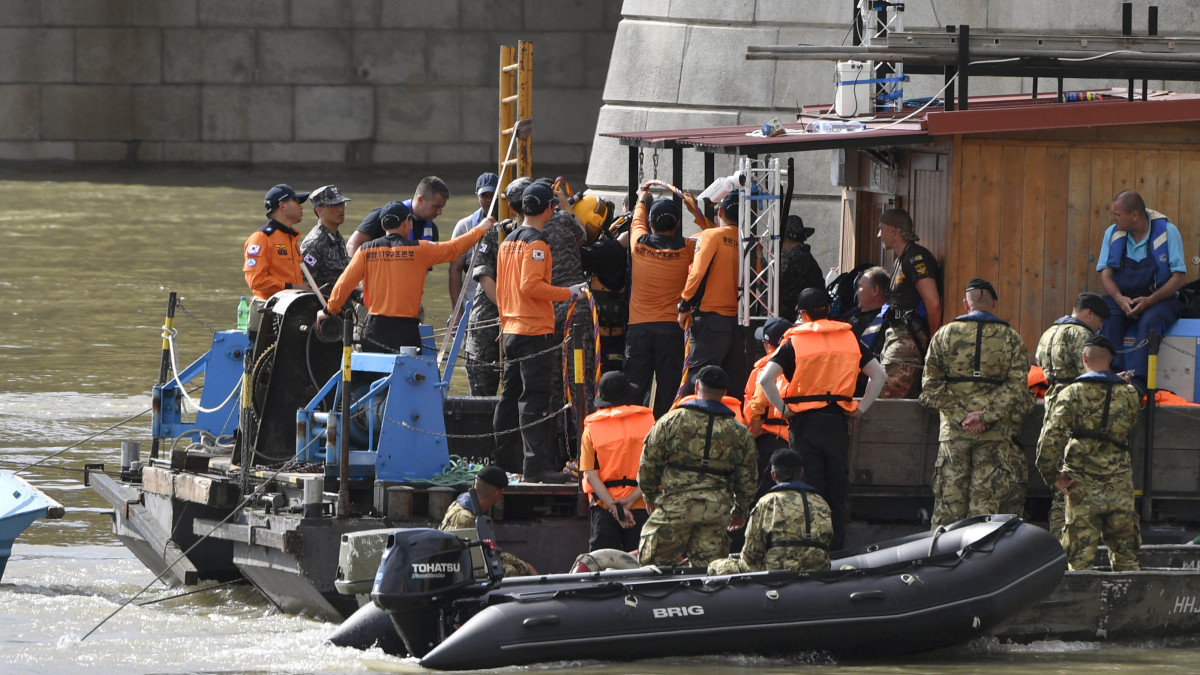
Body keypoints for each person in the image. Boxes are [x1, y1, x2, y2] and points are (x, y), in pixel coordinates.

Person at [759, 288, 886, 551]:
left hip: (804, 425)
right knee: (836, 488)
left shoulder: (795, 342)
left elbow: (765, 379)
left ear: (802, 315)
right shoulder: (850, 338)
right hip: (837, 423)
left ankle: (810, 547)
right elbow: (879, 376)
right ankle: (837, 547)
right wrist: (860, 409)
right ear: (829, 310)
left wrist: (784, 410)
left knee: (807, 488)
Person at [492, 182, 588, 482]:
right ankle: (536, 467)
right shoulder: (537, 244)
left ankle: (502, 461)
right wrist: (568, 292)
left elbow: (503, 288)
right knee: (533, 400)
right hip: (533, 331)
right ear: (550, 207)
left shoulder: (507, 241)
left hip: (511, 330)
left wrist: (504, 322)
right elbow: (529, 286)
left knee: (509, 398)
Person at [919, 278, 1033, 530]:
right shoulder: (1011, 339)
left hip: (954, 434)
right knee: (985, 506)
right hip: (995, 434)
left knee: (949, 506)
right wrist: (986, 416)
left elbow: (930, 387)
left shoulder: (944, 335)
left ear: (965, 304)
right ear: (994, 303)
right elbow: (1017, 388)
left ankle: (942, 561)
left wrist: (962, 416)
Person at [316, 201, 492, 352]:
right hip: (406, 331)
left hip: (374, 329)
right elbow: (454, 248)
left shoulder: (365, 250)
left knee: (373, 381)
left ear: (384, 226)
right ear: (407, 223)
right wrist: (480, 229)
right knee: (408, 381)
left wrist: (328, 311)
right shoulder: (421, 249)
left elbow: (343, 285)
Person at [1035, 334, 1141, 571]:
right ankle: (1128, 604)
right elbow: (1131, 422)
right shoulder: (1130, 394)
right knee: (1126, 558)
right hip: (1119, 485)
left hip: (1080, 485)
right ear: (1111, 360)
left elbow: (1050, 438)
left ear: (1084, 357)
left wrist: (1053, 476)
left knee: (1078, 559)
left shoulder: (1072, 393)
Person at [638, 365, 758, 568]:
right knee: (711, 571)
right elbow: (748, 478)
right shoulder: (739, 432)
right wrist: (740, 510)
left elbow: (649, 463)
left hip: (675, 506)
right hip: (716, 510)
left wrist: (649, 496)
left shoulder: (671, 421)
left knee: (655, 566)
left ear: (697, 386)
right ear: (725, 393)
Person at [1035, 292, 1111, 538]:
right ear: (1088, 313)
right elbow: (1089, 374)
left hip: (1052, 405)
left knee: (1059, 476)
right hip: (1076, 411)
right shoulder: (1082, 335)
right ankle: (1066, 543)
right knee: (1073, 483)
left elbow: (1039, 363)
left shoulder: (1048, 333)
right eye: (1099, 320)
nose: (1100, 327)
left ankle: (1055, 541)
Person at [1097, 190, 1188, 388]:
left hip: (1159, 299)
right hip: (1122, 297)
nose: (1113, 218)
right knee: (1108, 317)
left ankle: (1137, 384)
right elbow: (1106, 274)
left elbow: (1179, 277)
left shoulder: (1167, 232)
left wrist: (1150, 301)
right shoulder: (1112, 234)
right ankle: (1113, 377)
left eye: (1117, 214)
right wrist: (1119, 299)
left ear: (1135, 215)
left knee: (1149, 323)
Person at [624, 188, 695, 418]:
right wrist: (694, 209)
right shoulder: (688, 249)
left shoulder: (638, 245)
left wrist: (643, 197)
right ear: (676, 225)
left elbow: (637, 216)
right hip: (671, 330)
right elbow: (713, 235)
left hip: (639, 329)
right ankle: (663, 441)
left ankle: (631, 438)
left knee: (633, 389)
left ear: (651, 223)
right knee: (669, 392)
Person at [707, 449, 833, 575]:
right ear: (801, 472)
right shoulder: (821, 502)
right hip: (818, 570)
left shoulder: (767, 502)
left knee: (716, 565)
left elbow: (751, 554)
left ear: (773, 475)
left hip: (776, 572)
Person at [464, 178, 530, 396]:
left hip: (522, 327)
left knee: (518, 392)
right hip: (488, 324)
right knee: (483, 395)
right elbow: (483, 276)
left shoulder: (539, 234)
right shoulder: (496, 233)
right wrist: (509, 308)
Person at [678, 192, 745, 398]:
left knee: (697, 382)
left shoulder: (712, 236)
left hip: (711, 321)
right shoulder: (748, 242)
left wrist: (684, 305)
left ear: (722, 212)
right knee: (733, 387)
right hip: (740, 324)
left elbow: (698, 273)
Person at [580, 371, 655, 552]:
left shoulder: (592, 428)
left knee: (602, 566)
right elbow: (655, 471)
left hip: (604, 507)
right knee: (642, 569)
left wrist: (615, 508)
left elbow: (590, 475)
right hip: (640, 505)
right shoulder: (650, 422)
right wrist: (628, 501)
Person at [877, 208, 942, 398]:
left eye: (881, 229)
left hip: (908, 339)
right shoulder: (902, 258)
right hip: (898, 335)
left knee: (886, 396)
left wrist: (933, 338)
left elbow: (933, 303)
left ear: (893, 230)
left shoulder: (915, 258)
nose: (878, 235)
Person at [439, 465, 537, 577]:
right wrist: (524, 566)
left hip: (451, 565)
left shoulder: (458, 505)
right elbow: (485, 555)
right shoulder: (469, 519)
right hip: (461, 572)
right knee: (510, 570)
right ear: (497, 494)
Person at [744, 316, 794, 499]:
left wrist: (753, 433)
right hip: (796, 439)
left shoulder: (762, 370)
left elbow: (756, 404)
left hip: (767, 442)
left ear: (769, 345)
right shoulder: (801, 366)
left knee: (762, 498)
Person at [346, 176, 448, 256]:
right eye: (436, 206)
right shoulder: (386, 215)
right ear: (420, 200)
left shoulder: (432, 230)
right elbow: (353, 245)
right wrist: (361, 280)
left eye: (442, 207)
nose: (440, 212)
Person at [243, 184, 312, 300]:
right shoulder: (261, 238)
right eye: (296, 201)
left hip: (292, 305)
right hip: (268, 309)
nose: (301, 207)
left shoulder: (291, 238)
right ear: (282, 205)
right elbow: (255, 281)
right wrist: (292, 287)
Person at [448, 172, 499, 325]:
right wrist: (457, 313)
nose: (489, 201)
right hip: (473, 306)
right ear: (477, 195)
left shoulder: (510, 223)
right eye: (485, 196)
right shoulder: (464, 226)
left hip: (504, 303)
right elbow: (455, 270)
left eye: (493, 195)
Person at [299, 184, 352, 295]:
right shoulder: (314, 243)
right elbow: (305, 285)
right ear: (319, 211)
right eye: (333, 205)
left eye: (342, 204)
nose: (340, 209)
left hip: (341, 306)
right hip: (323, 308)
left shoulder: (336, 237)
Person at [778, 215, 824, 323]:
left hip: (789, 320)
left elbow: (770, 288)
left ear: (784, 238)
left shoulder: (788, 260)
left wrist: (760, 258)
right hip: (810, 319)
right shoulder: (809, 259)